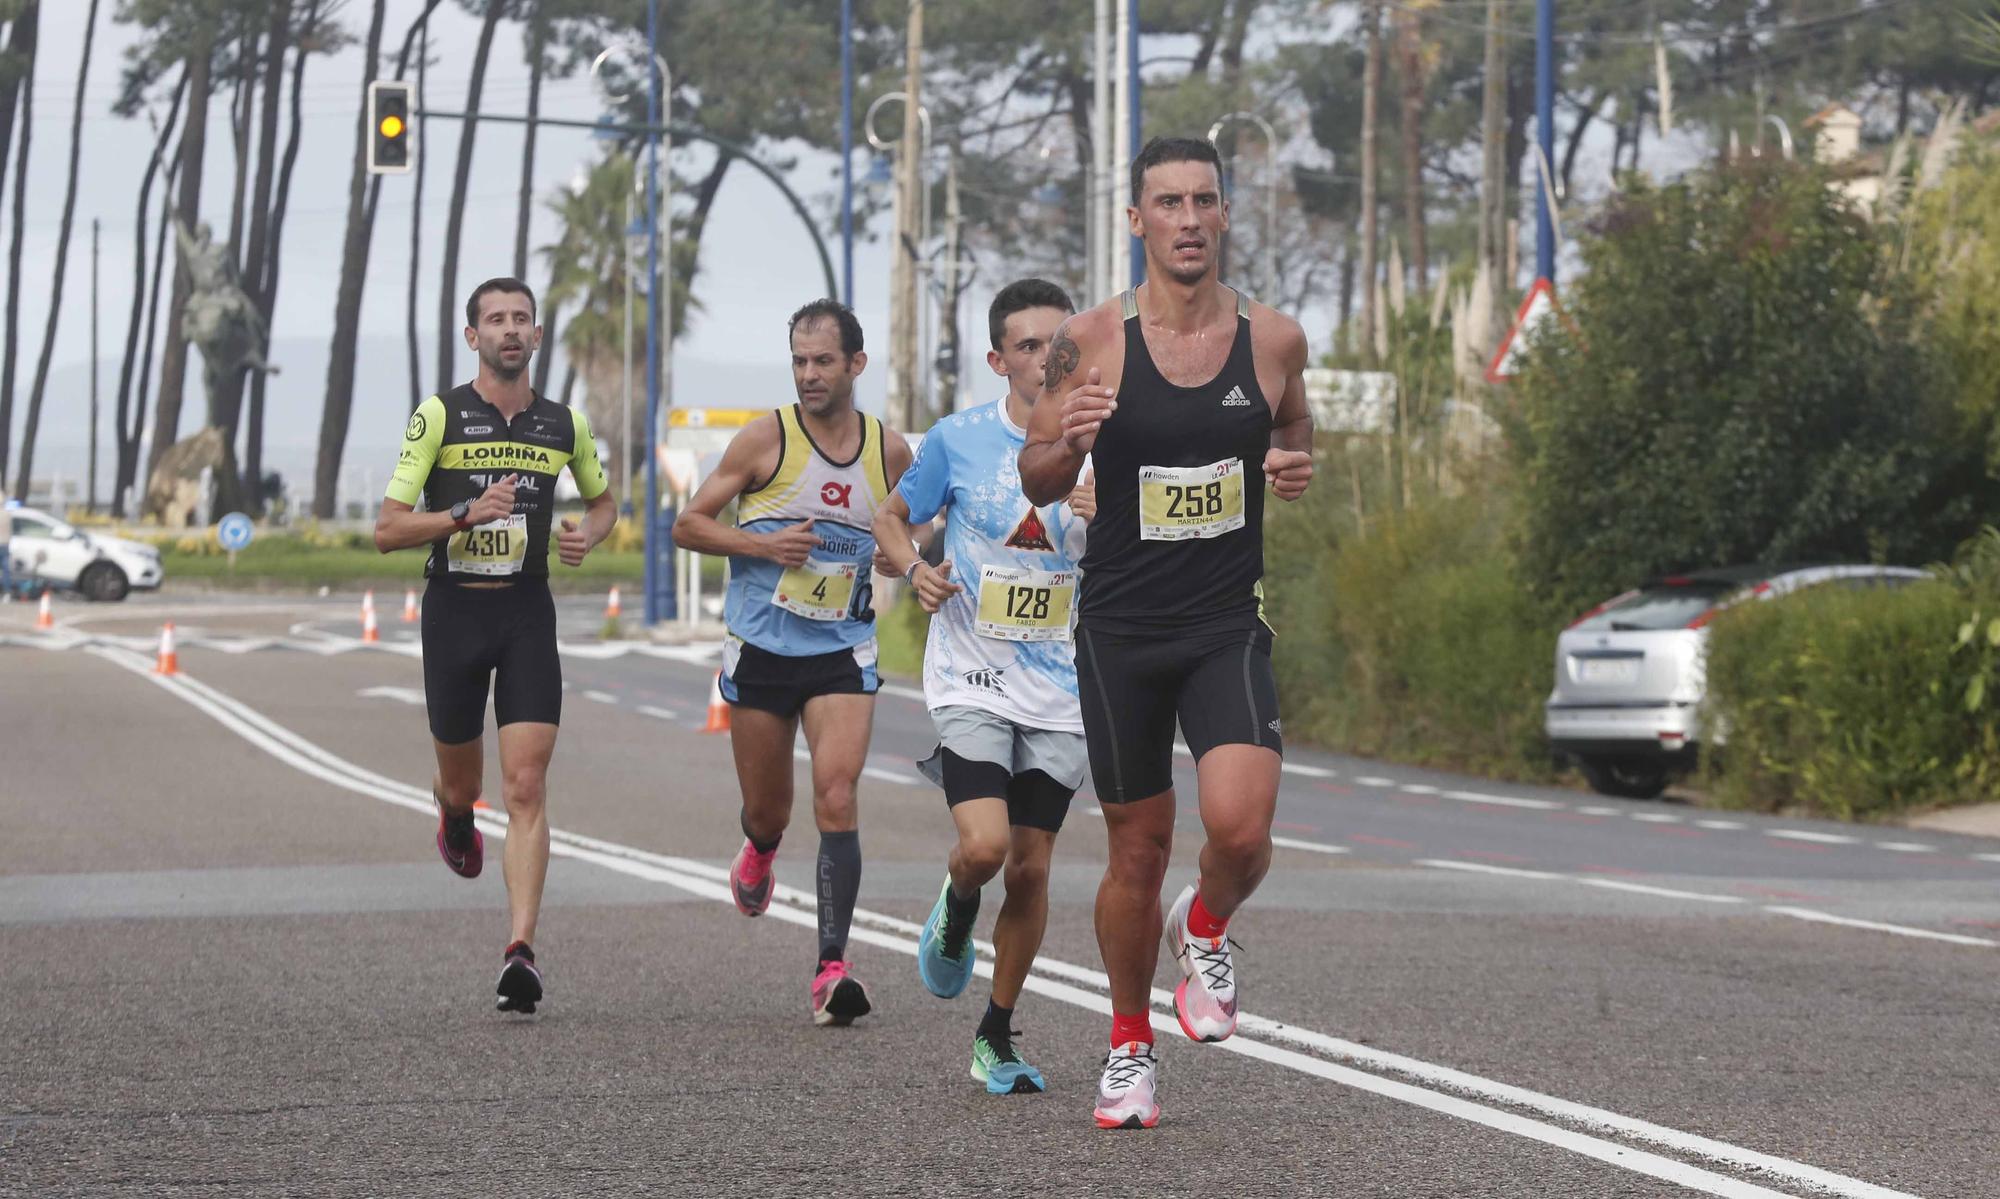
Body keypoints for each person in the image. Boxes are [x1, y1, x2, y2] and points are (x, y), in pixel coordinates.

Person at [1017, 136, 1315, 1129]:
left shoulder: (1272, 340)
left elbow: (1290, 424)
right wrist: (1071, 439)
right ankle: (1128, 1046)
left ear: (1224, 215)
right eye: (1167, 202)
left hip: (1223, 618)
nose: (1187, 218)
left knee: (1239, 825)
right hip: (1118, 627)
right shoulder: (1090, 341)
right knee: (1134, 850)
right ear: (1135, 219)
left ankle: (1208, 920)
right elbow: (1033, 476)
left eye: (1203, 200)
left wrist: (1289, 462)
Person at [873, 279, 1094, 1095]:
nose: (1045, 358)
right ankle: (958, 900)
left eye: (1058, 343)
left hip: (1063, 687)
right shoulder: (959, 440)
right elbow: (890, 517)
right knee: (987, 847)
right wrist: (916, 569)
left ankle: (995, 1033)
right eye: (1028, 346)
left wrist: (1111, 524)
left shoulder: (1107, 440)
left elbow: (1148, 554)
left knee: (1032, 870)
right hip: (971, 673)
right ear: (1000, 359)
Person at [374, 276, 617, 1015]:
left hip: (525, 614)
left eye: (522, 319)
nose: (510, 330)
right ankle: (452, 814)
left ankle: (521, 951)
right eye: (495, 320)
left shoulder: (563, 425)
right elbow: (387, 528)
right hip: (454, 613)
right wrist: (462, 511)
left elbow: (604, 501)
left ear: (537, 337)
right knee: (465, 782)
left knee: (525, 786)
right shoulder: (440, 415)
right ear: (473, 336)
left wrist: (588, 533)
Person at [672, 299, 913, 1027]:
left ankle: (831, 967)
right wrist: (763, 546)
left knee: (837, 794)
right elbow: (687, 523)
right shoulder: (763, 440)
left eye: (823, 362)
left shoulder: (889, 451)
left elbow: (909, 522)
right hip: (764, 649)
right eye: (800, 362)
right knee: (770, 808)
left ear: (856, 365)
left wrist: (894, 554)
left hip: (842, 648)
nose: (809, 375)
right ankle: (759, 848)